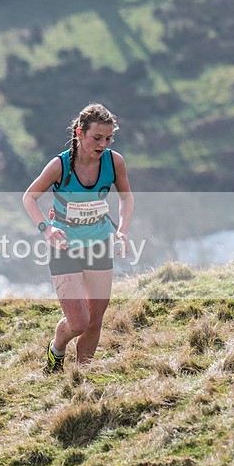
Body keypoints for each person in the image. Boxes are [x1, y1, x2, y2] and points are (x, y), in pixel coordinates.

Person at [23, 103, 134, 372]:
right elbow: (29, 197)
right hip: (65, 245)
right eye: (97, 138)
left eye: (108, 138)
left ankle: (82, 377)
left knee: (95, 320)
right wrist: (46, 229)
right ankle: (56, 349)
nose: (103, 145)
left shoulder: (114, 162)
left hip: (99, 243)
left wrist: (122, 230)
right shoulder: (60, 165)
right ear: (80, 133)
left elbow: (126, 197)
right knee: (78, 323)